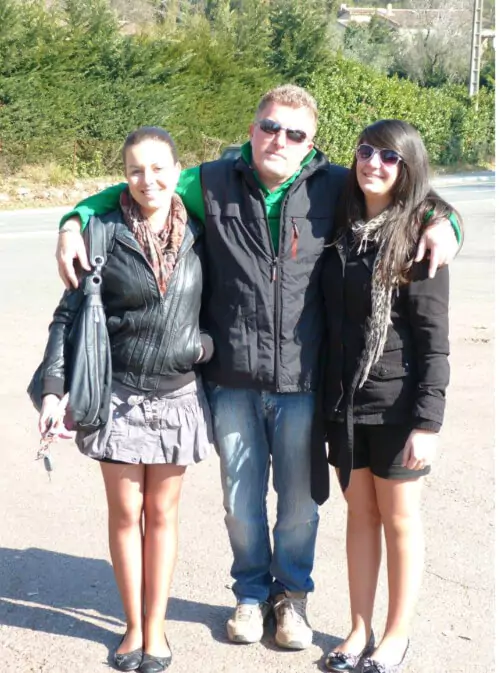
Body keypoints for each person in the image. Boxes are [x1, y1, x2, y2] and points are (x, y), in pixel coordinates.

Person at [54, 86, 461, 652]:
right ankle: (249, 594)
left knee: (299, 507)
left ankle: (290, 596)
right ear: (252, 129)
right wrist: (72, 222)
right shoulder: (209, 182)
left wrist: (446, 222)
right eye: (270, 127)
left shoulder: (334, 186)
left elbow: (405, 196)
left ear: (310, 143)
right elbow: (138, 184)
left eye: (295, 133)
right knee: (241, 506)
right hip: (233, 379)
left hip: (304, 380)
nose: (279, 140)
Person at [39, 126, 213, 673]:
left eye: (159, 168)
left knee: (162, 514)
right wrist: (53, 390)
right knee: (124, 514)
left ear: (178, 171)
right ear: (124, 176)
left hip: (178, 394)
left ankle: (156, 629)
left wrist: (202, 346)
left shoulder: (203, 231)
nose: (147, 180)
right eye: (136, 169)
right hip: (117, 394)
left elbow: (229, 304)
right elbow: (68, 315)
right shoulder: (103, 231)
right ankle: (133, 626)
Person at [314, 119, 462, 673]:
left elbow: (433, 339)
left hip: (399, 407)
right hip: (345, 404)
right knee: (360, 515)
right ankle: (359, 628)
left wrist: (428, 423)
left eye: (389, 157)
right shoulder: (343, 225)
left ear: (408, 167)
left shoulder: (421, 239)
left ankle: (396, 636)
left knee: (399, 520)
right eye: (365, 151)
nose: (373, 163)